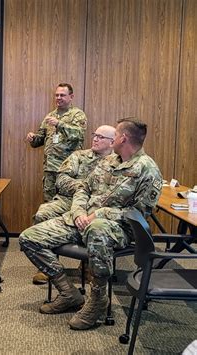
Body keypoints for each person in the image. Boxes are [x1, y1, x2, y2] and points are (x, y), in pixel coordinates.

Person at [19, 117, 162, 330]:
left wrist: (100, 214)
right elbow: (83, 189)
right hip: (82, 220)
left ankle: (97, 300)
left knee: (97, 230)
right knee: (29, 238)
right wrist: (77, 212)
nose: (105, 138)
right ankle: (68, 293)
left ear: (122, 138)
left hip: (118, 228)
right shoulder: (108, 161)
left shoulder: (147, 169)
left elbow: (139, 213)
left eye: (115, 133)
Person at [31, 125, 116, 285]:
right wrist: (84, 187)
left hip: (97, 204)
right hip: (68, 200)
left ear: (112, 143)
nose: (95, 139)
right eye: (94, 135)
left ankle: (88, 267)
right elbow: (61, 179)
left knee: (96, 222)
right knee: (43, 214)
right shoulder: (79, 156)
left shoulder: (117, 163)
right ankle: (47, 267)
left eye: (100, 137)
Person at [26, 83, 87, 202]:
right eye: (57, 95)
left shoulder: (77, 114)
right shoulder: (50, 116)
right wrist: (33, 138)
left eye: (62, 95)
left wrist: (59, 124)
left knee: (67, 204)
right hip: (50, 170)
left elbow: (78, 134)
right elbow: (40, 139)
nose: (58, 98)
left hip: (68, 170)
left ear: (71, 97)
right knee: (49, 203)